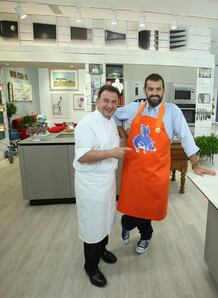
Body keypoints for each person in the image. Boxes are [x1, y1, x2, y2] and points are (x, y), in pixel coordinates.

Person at [114, 73, 216, 254]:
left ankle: (144, 234)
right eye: (151, 89)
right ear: (145, 90)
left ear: (163, 91)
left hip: (156, 171)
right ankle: (131, 226)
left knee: (149, 208)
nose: (154, 93)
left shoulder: (172, 111)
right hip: (134, 170)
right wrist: (123, 134)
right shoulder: (134, 108)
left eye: (158, 89)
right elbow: (114, 115)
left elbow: (186, 137)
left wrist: (195, 164)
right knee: (133, 205)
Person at [74, 85, 131, 287]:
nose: (109, 105)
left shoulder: (110, 121)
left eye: (114, 102)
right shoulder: (86, 124)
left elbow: (116, 143)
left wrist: (123, 136)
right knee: (92, 224)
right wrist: (113, 153)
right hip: (90, 183)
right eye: (106, 100)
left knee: (106, 218)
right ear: (97, 101)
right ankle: (90, 266)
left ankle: (101, 249)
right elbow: (82, 156)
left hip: (107, 181)